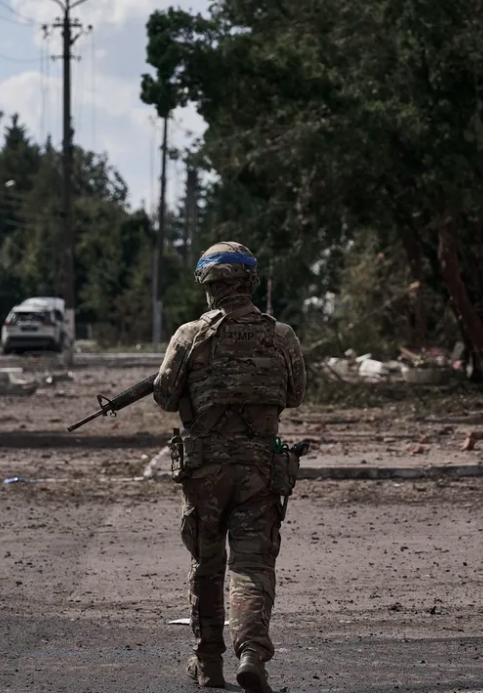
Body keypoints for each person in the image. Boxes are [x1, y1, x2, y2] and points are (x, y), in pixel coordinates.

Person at [153, 242, 306, 692]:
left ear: (208, 285)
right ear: (249, 282)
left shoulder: (189, 336)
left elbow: (164, 396)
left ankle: (208, 663)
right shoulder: (281, 336)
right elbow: (295, 394)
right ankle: (252, 654)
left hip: (204, 471)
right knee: (253, 566)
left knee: (207, 564)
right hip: (259, 468)